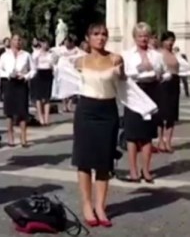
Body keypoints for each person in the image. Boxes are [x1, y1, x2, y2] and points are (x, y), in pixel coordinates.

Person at [72, 22, 123, 227]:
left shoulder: (115, 59)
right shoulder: (79, 61)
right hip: (86, 110)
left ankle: (100, 206)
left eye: (104, 34)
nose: (101, 38)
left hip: (108, 110)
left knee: (104, 160)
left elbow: (125, 85)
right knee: (84, 159)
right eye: (96, 34)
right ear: (88, 38)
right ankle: (86, 204)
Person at [121, 22, 168, 183]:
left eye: (146, 35)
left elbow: (165, 72)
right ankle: (133, 171)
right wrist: (139, 68)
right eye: (140, 36)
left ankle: (146, 170)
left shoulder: (156, 55)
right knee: (132, 134)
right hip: (134, 92)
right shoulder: (127, 54)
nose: (143, 39)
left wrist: (157, 74)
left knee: (148, 134)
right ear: (134, 37)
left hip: (152, 90)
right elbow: (123, 75)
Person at [0, 34, 35, 147]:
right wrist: (8, 74)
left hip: (21, 84)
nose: (17, 42)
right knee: (9, 112)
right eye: (15, 40)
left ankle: (23, 137)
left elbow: (33, 70)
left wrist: (26, 76)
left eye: (19, 40)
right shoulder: (5, 55)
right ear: (11, 41)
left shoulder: (26, 55)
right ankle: (10, 136)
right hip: (9, 83)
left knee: (22, 111)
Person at [157, 31, 180, 153]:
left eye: (172, 40)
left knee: (172, 114)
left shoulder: (174, 54)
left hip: (174, 83)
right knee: (162, 114)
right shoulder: (159, 54)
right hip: (163, 84)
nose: (170, 42)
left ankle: (168, 142)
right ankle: (161, 141)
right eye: (168, 40)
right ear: (163, 41)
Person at [31, 38, 55, 126]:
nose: (46, 45)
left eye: (47, 43)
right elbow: (33, 62)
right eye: (44, 43)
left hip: (48, 73)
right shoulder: (36, 53)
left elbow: (52, 64)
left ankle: (46, 118)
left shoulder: (50, 54)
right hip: (39, 73)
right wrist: (39, 53)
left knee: (47, 97)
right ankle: (40, 117)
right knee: (39, 97)